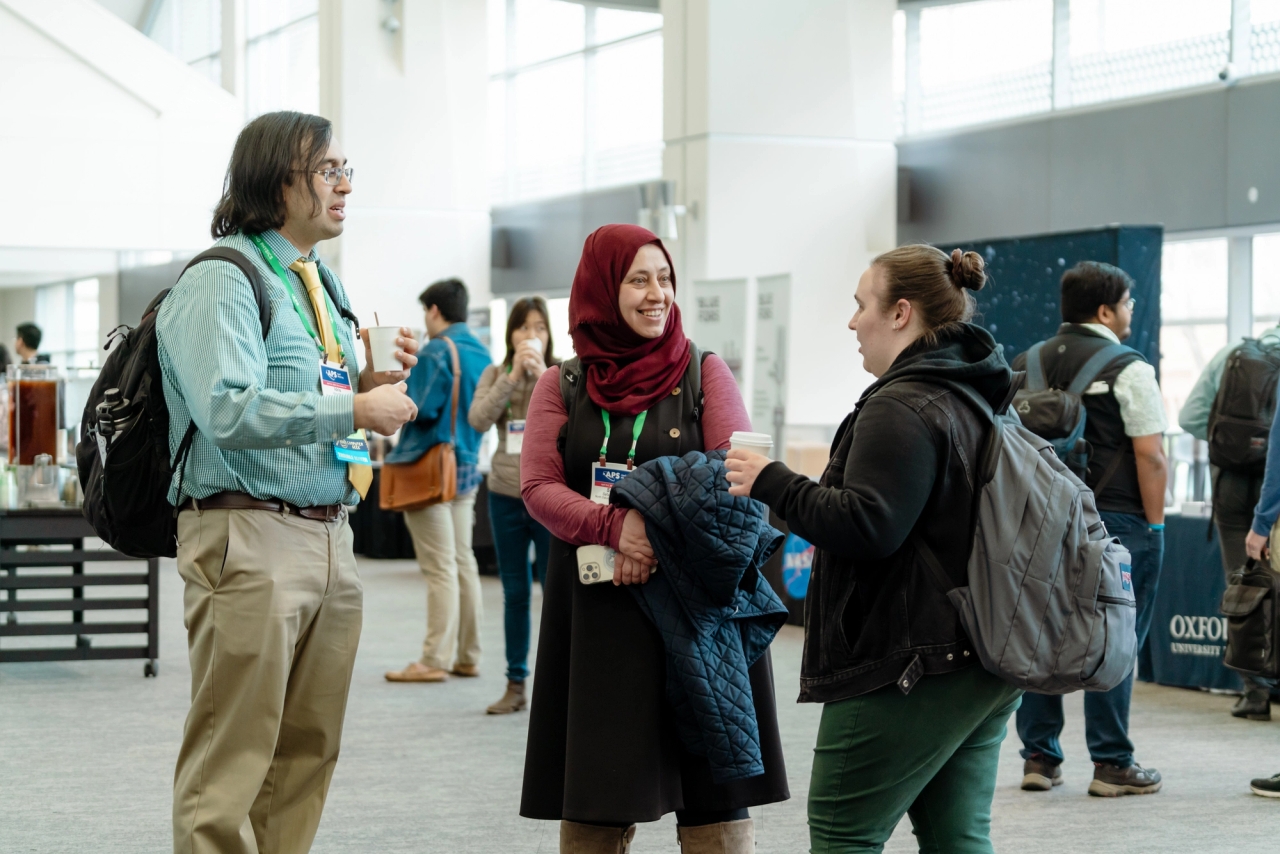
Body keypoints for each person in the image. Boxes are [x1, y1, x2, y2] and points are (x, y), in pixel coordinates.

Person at [157, 111, 419, 854]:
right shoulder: (224, 276)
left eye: (347, 170)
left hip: (329, 530)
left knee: (307, 750)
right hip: (248, 532)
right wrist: (353, 404)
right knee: (231, 759)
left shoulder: (318, 281)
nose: (343, 184)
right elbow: (228, 408)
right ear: (279, 179)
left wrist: (371, 383)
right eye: (327, 169)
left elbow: (320, 393)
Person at [725, 245, 1023, 853]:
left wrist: (771, 480)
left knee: (843, 832)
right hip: (981, 653)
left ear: (901, 313)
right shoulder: (978, 393)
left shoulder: (902, 405)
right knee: (957, 836)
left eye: (862, 305)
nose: (852, 321)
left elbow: (869, 525)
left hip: (908, 662)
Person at [520, 224, 788, 853]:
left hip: (697, 615)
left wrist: (651, 527)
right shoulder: (560, 385)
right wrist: (619, 527)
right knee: (599, 800)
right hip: (599, 621)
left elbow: (734, 473)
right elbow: (538, 487)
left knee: (713, 802)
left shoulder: (703, 371)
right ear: (600, 288)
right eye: (637, 279)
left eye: (664, 278)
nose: (656, 294)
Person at [1009, 261, 1167, 797]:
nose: (1130, 314)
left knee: (1035, 630)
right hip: (1115, 519)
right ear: (1105, 311)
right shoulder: (1130, 368)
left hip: (1034, 523)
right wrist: (1156, 526)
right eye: (1127, 304)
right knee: (1115, 635)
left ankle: (1039, 757)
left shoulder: (1022, 364)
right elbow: (1151, 456)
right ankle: (1111, 762)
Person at [385, 278, 492, 683]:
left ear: (433, 310)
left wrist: (396, 387)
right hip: (465, 465)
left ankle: (433, 658)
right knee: (463, 562)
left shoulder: (435, 351)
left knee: (440, 568)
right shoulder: (481, 353)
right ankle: (468, 654)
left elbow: (420, 408)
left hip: (430, 468)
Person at [1180, 323, 1280, 719]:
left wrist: (1235, 442)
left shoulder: (1236, 354)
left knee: (1245, 582)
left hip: (1233, 484)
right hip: (1276, 487)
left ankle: (1254, 690)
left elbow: (1190, 417)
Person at [468, 297, 557, 714]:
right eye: (523, 327)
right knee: (515, 592)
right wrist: (512, 376)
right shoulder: (495, 371)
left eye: (539, 327)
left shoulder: (561, 374)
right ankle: (515, 682)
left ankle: (558, 685)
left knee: (555, 591)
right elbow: (478, 420)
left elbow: (574, 425)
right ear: (510, 334)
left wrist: (541, 377)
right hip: (505, 491)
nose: (530, 335)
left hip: (552, 497)